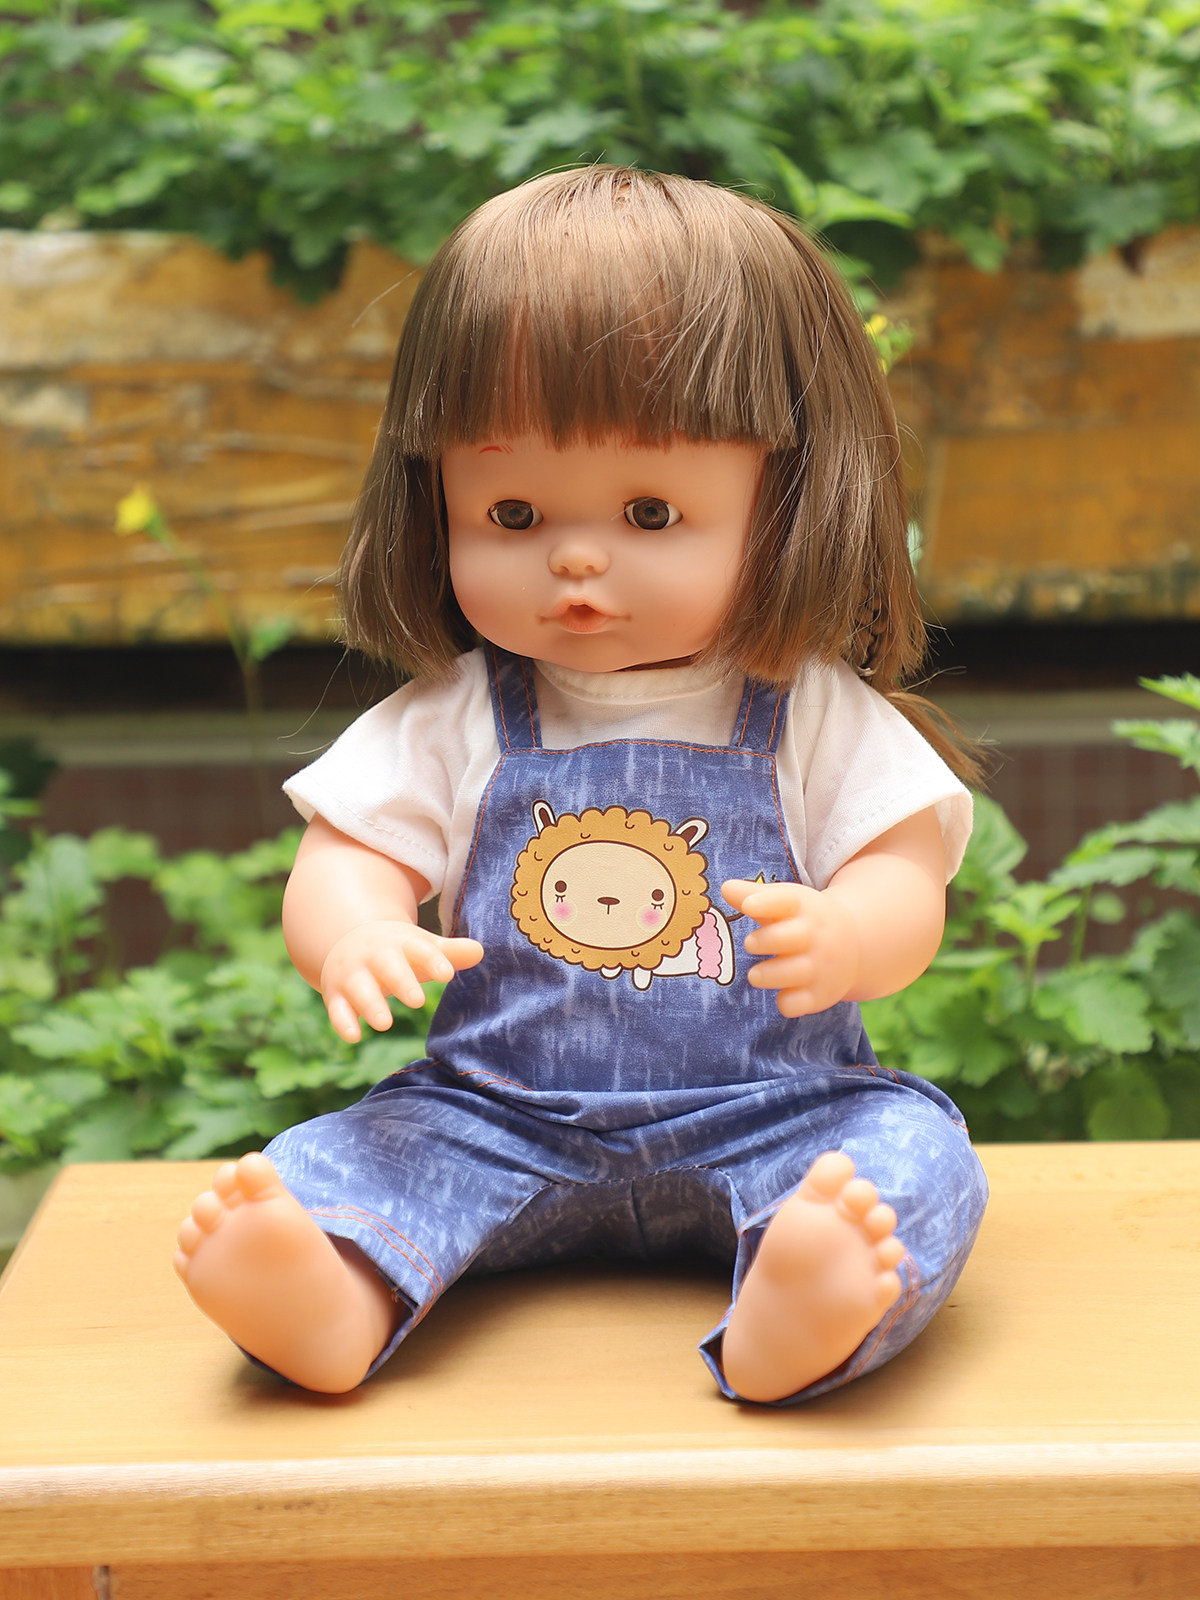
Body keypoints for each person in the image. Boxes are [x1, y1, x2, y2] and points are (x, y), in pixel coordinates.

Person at [173, 166, 989, 1404]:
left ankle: (802, 1297)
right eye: (511, 511)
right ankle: (330, 1292)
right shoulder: (457, 713)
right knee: (338, 1155)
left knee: (910, 1154)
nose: (574, 559)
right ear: (433, 495)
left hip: (777, 1107)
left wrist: (852, 934)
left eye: (650, 512)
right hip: (494, 1115)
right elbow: (351, 856)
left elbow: (903, 869)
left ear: (789, 501)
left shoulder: (807, 709)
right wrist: (357, 934)